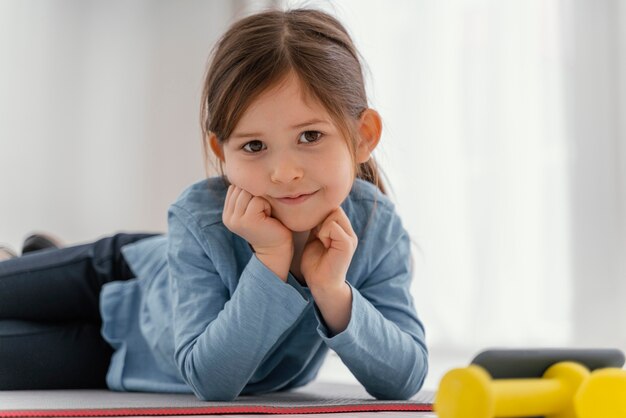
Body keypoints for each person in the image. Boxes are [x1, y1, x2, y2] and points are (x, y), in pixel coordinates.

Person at [0, 8, 428, 401]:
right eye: (254, 145)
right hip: (118, 274)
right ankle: (38, 261)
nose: (284, 172)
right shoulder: (199, 215)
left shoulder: (377, 227)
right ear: (222, 152)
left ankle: (39, 256)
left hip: (118, 352)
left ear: (363, 136)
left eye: (310, 137)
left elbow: (404, 378)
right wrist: (272, 260)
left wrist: (331, 291)